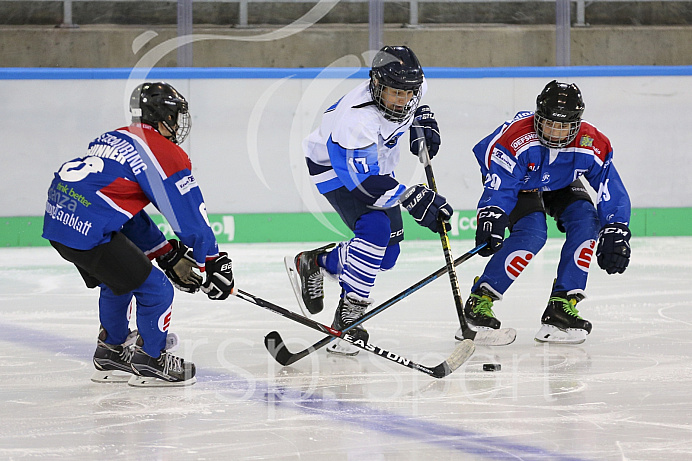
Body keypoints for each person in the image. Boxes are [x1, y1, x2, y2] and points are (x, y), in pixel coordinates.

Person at [42, 82, 235, 386]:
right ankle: (151, 361)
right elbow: (189, 216)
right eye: (175, 118)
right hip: (89, 227)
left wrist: (166, 254)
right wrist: (212, 260)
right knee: (156, 289)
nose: (177, 126)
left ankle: (112, 351)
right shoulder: (164, 151)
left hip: (60, 220)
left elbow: (123, 212)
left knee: (119, 280)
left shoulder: (115, 137)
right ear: (165, 119)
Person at [285, 45, 453, 355]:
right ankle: (349, 316)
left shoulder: (413, 88)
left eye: (408, 95)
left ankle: (317, 261)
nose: (402, 101)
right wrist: (410, 196)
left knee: (386, 256)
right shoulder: (355, 121)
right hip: (336, 167)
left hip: (376, 166)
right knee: (374, 230)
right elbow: (362, 183)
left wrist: (422, 121)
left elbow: (418, 107)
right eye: (394, 94)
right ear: (376, 85)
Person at [462, 80, 631, 344]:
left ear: (576, 124)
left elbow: (610, 187)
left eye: (563, 126)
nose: (554, 132)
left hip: (560, 179)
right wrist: (492, 214)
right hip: (522, 178)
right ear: (538, 117)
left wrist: (616, 228)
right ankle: (480, 299)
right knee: (532, 233)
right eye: (549, 123)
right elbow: (502, 183)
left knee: (588, 222)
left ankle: (562, 305)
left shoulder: (591, 142)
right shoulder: (517, 140)